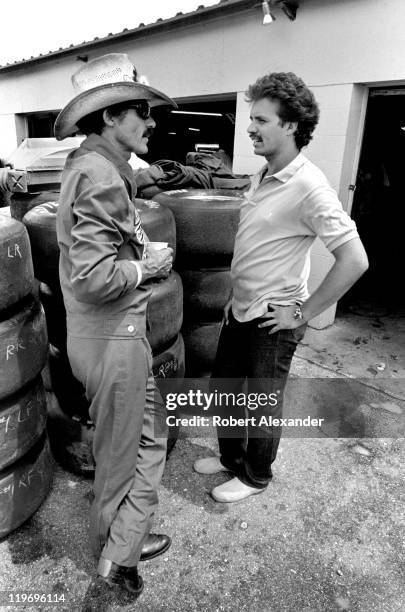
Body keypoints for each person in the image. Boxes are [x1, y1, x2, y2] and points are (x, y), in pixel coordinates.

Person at [194, 72, 369, 503]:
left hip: (274, 319)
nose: (250, 127)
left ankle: (256, 475)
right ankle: (232, 458)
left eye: (261, 119)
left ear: (291, 125)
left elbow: (355, 259)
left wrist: (303, 312)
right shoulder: (263, 174)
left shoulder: (309, 186)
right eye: (250, 118)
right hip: (242, 308)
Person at [55, 53, 176, 596]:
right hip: (113, 339)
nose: (151, 122)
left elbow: (99, 243)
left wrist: (137, 246)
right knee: (136, 451)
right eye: (140, 112)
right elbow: (90, 277)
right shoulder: (102, 174)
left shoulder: (94, 166)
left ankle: (119, 540)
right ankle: (117, 560)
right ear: (109, 117)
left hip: (101, 337)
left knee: (130, 444)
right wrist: (143, 266)